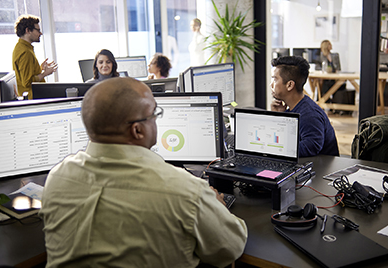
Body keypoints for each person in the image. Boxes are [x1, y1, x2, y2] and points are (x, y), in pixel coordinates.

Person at [40, 77, 247, 267]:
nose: (156, 120)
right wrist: (219, 208)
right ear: (137, 130)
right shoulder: (185, 191)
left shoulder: (58, 177)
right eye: (154, 115)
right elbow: (230, 247)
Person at [270, 56, 339, 157]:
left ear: (289, 85)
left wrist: (273, 150)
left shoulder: (309, 114)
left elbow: (311, 148)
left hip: (319, 169)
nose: (271, 85)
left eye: (275, 80)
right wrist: (279, 116)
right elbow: (281, 139)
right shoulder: (292, 108)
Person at [12, 15, 57, 99]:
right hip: (33, 98)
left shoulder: (22, 47)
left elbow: (26, 74)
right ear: (28, 30)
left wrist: (40, 69)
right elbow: (27, 82)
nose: (41, 33)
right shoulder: (25, 52)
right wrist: (45, 73)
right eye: (38, 30)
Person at [319, 40, 346, 105]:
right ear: (326, 46)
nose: (331, 46)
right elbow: (319, 68)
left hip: (334, 78)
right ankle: (323, 102)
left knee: (339, 84)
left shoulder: (335, 55)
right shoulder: (321, 56)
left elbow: (338, 68)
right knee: (322, 85)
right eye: (329, 44)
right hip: (325, 79)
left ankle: (335, 105)